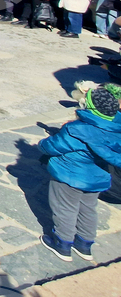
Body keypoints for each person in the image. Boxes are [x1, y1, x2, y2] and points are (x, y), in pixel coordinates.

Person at [38, 84, 121, 262]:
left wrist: (42, 144)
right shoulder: (117, 131)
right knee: (88, 209)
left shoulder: (76, 129)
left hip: (69, 175)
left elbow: (51, 146)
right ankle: (84, 245)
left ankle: (62, 243)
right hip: (97, 178)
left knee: (65, 208)